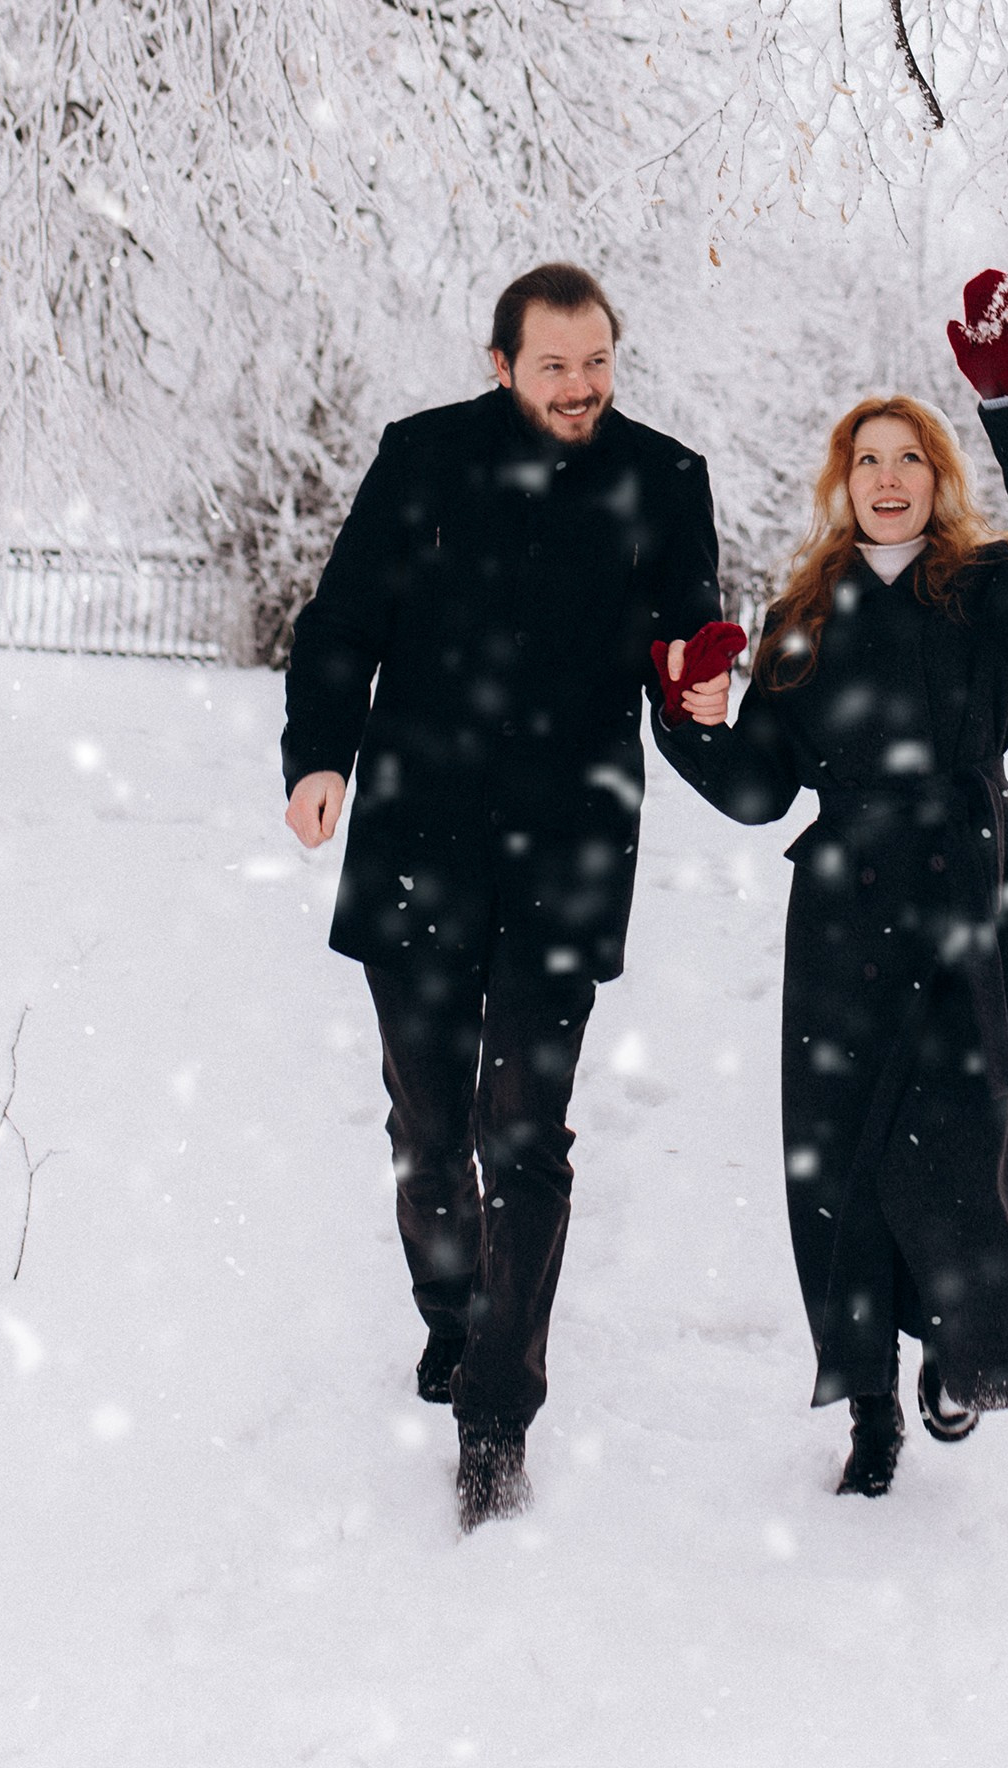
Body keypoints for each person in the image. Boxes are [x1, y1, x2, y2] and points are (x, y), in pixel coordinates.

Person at [281, 262, 722, 1530]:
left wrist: (708, 701)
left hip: (568, 851)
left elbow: (683, 642)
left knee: (522, 1136)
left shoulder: (665, 477)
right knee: (428, 1135)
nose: (581, 390)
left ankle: (495, 1412)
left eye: (597, 365)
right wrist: (320, 755)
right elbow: (340, 622)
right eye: (554, 368)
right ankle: (452, 1312)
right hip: (420, 834)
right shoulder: (420, 459)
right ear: (499, 363)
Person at [651, 272, 1008, 1497]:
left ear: (937, 480)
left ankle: (966, 1357)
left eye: (907, 458)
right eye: (865, 462)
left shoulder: (985, 593)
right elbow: (757, 787)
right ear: (840, 485)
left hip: (964, 891)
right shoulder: (805, 618)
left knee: (963, 1142)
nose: (886, 478)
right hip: (843, 906)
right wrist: (688, 717)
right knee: (840, 1163)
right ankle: (869, 1413)